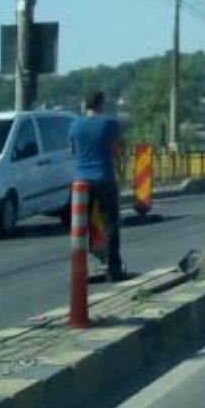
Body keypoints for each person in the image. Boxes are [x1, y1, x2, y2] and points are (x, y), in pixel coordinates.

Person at [68, 91, 126, 280]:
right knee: (111, 224)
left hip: (81, 182)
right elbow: (119, 149)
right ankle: (114, 269)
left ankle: (79, 271)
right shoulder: (110, 124)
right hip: (104, 178)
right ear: (101, 104)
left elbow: (74, 150)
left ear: (85, 105)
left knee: (80, 227)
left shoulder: (75, 125)